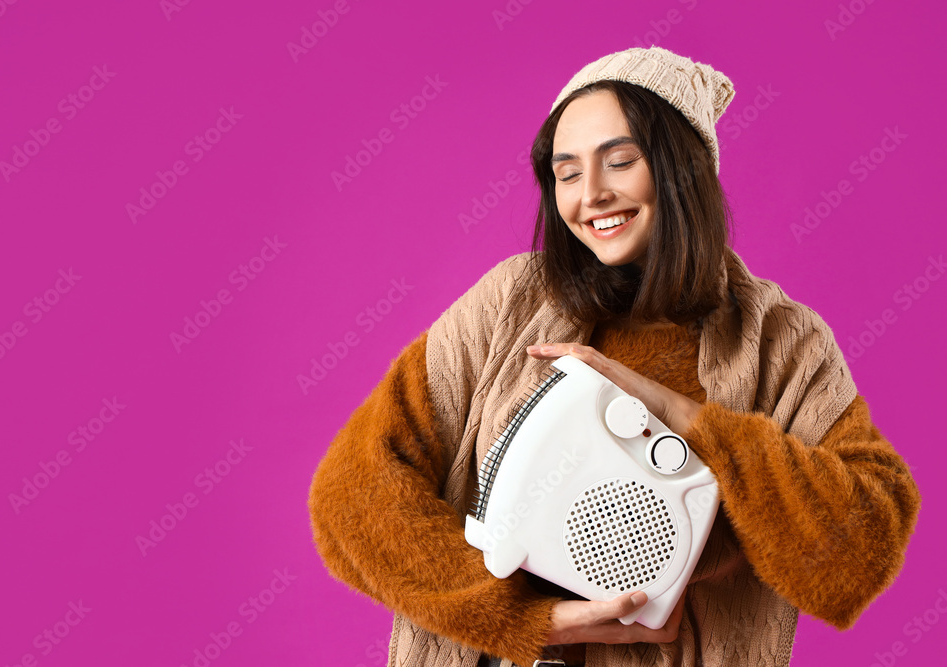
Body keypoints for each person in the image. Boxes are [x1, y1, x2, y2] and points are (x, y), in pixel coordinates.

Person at [307, 46, 921, 667]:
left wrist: (681, 416)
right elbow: (350, 496)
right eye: (566, 173)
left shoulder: (783, 344)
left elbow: (860, 550)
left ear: (684, 171)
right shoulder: (510, 304)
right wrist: (529, 620)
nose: (592, 194)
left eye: (620, 161)